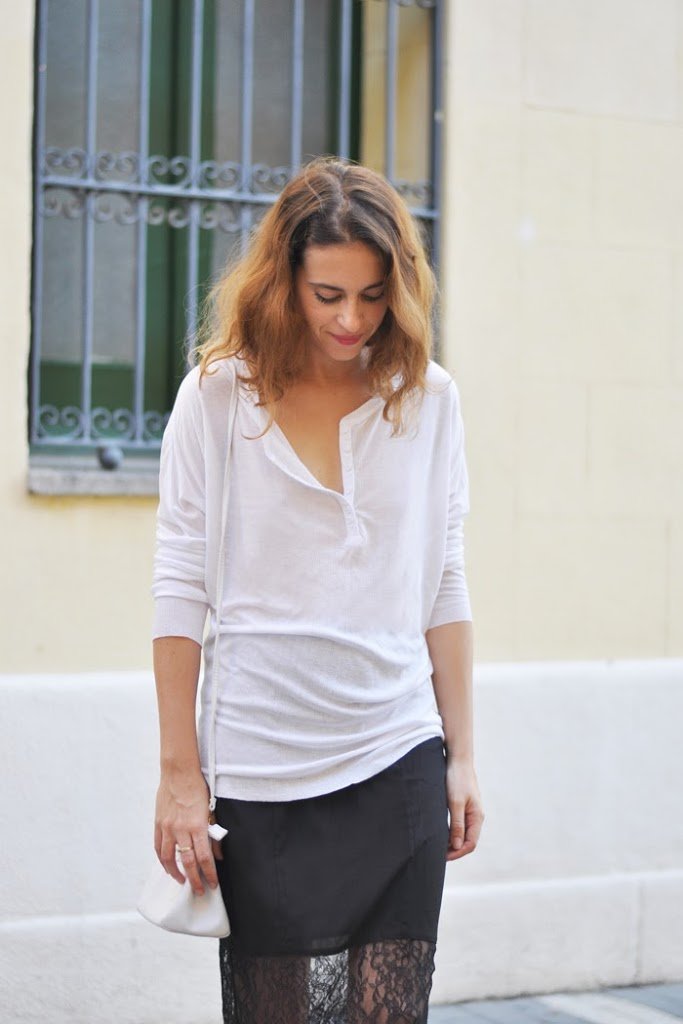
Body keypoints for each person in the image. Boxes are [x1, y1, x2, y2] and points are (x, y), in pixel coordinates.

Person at [151, 156, 484, 1024]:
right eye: (326, 294)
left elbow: (444, 579)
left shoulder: (428, 399)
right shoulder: (218, 399)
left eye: (372, 295)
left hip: (396, 753)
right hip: (261, 767)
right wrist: (179, 775)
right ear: (284, 279)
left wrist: (461, 755)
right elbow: (179, 586)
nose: (350, 318)